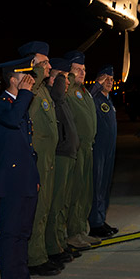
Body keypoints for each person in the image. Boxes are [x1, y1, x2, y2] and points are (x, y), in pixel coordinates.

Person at [0, 56, 52, 279]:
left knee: (24, 231)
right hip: (12, 180)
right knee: (11, 233)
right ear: (13, 79)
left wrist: (34, 177)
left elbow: (27, 146)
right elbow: (13, 119)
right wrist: (25, 94)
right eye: (24, 76)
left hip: (25, 178)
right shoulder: (0, 105)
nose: (28, 80)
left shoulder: (20, 104)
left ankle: (23, 277)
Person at [17, 41, 62, 278]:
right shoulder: (31, 89)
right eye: (44, 62)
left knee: (46, 207)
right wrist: (33, 75)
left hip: (48, 158)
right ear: (32, 65)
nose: (49, 66)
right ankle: (35, 258)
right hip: (37, 159)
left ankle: (42, 252)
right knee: (38, 208)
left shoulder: (43, 88)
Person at [44, 58, 81, 265]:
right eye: (63, 77)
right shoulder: (54, 95)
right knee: (55, 203)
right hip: (59, 155)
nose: (67, 82)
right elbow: (57, 93)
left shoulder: (62, 98)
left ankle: (59, 241)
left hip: (68, 153)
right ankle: (52, 246)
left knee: (63, 203)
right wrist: (59, 78)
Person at [64, 50, 99, 249]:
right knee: (75, 192)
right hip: (76, 149)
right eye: (77, 69)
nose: (82, 73)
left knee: (85, 191)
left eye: (84, 70)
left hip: (87, 148)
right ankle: (72, 233)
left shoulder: (84, 92)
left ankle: (80, 230)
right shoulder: (69, 91)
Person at [89, 65, 119, 238]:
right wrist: (95, 86)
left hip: (109, 150)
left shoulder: (108, 100)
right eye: (105, 78)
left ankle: (101, 218)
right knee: (97, 185)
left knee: (106, 185)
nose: (109, 81)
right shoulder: (94, 98)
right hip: (98, 149)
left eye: (111, 79)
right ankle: (95, 222)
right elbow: (86, 99)